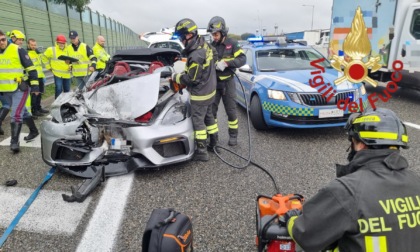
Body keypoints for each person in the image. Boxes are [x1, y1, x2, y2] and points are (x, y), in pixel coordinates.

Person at [285, 108, 420, 251]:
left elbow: (306, 234)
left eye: (353, 140)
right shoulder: (416, 181)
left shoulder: (346, 190)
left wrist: (291, 219)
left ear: (360, 143)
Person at [172, 18, 218, 161]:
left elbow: (192, 79)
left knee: (198, 122)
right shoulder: (206, 45)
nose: (181, 41)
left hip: (200, 95)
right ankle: (214, 143)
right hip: (211, 90)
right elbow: (215, 56)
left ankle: (202, 151)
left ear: (188, 35)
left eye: (181, 37)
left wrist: (176, 77)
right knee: (210, 117)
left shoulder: (195, 55)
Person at [207, 16, 246, 146]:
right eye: (213, 34)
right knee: (212, 112)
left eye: (216, 34)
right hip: (215, 84)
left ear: (223, 32)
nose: (214, 37)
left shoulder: (232, 44)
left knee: (231, 111)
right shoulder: (211, 46)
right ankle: (214, 138)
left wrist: (227, 63)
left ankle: (233, 136)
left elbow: (242, 59)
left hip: (228, 83)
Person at [0, 29, 40, 152]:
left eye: (2, 39)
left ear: (6, 38)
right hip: (4, 90)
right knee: (24, 112)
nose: (1, 42)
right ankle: (34, 131)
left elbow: (31, 69)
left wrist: (35, 87)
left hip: (19, 88)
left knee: (16, 114)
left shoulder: (17, 50)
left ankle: (14, 142)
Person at [43, 34, 71, 99]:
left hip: (67, 74)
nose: (61, 44)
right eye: (60, 43)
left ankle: (66, 104)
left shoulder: (68, 50)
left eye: (63, 43)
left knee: (67, 90)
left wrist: (70, 66)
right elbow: (44, 57)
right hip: (57, 74)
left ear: (65, 43)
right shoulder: (51, 50)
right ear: (57, 42)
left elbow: (71, 60)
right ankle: (57, 105)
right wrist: (48, 67)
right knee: (58, 89)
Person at [27, 38, 49, 116]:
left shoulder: (37, 53)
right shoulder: (27, 54)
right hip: (33, 77)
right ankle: (34, 110)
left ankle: (39, 108)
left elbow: (41, 63)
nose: (33, 46)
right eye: (32, 45)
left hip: (40, 76)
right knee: (34, 94)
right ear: (28, 45)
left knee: (39, 93)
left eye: (35, 45)